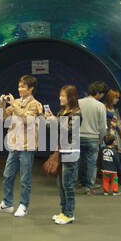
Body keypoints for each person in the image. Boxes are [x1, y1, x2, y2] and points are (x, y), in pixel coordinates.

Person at [0, 75, 43, 217]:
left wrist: (14, 105)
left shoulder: (35, 104)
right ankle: (7, 203)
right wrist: (1, 105)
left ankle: (23, 205)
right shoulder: (15, 103)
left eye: (23, 87)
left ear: (31, 89)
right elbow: (1, 119)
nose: (19, 89)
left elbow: (28, 120)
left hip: (27, 146)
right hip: (14, 146)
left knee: (25, 179)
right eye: (19, 86)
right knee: (7, 175)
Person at [52, 84, 81, 225]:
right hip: (62, 150)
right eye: (60, 95)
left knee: (68, 184)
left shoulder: (77, 113)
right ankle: (63, 211)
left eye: (63, 96)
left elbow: (69, 130)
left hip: (71, 151)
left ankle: (70, 213)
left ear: (71, 98)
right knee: (61, 183)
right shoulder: (62, 112)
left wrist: (54, 121)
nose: (60, 98)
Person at [78, 81, 108, 195]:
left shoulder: (78, 102)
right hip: (93, 137)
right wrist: (102, 138)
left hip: (78, 136)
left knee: (80, 160)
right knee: (91, 162)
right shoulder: (100, 106)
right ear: (99, 93)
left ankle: (81, 181)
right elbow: (102, 125)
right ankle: (89, 186)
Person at [100, 130, 121, 195]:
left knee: (105, 180)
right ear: (113, 142)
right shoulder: (114, 151)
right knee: (115, 180)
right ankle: (115, 191)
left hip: (105, 169)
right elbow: (117, 160)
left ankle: (105, 191)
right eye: (114, 140)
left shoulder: (102, 149)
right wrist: (118, 166)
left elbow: (100, 158)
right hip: (113, 170)